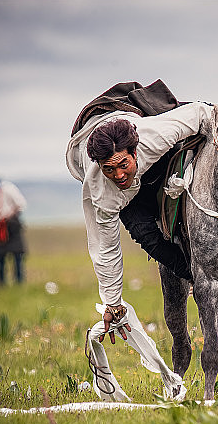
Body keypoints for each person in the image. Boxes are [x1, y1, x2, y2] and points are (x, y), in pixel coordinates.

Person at [65, 101, 210, 400]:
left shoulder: (153, 135)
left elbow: (201, 113)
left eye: (122, 165)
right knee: (149, 238)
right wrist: (112, 303)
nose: (117, 174)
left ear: (135, 152)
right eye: (109, 169)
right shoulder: (100, 191)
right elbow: (105, 248)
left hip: (140, 133)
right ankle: (197, 276)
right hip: (112, 174)